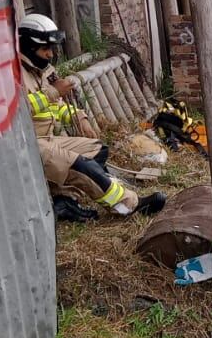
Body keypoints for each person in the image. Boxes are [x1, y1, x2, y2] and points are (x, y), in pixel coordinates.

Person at [17, 13, 165, 221]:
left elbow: (55, 106)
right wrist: (54, 92)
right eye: (45, 49)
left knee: (96, 149)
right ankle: (128, 205)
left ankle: (64, 201)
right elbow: (17, 111)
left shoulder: (39, 70)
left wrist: (79, 117)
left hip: (48, 139)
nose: (50, 54)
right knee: (81, 165)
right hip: (28, 144)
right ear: (28, 47)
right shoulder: (12, 74)